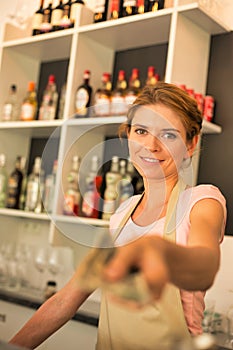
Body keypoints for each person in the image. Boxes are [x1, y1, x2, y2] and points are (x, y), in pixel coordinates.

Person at [9, 82, 227, 350]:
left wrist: (157, 250)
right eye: (141, 131)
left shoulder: (202, 201)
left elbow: (203, 265)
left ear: (190, 144)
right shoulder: (122, 214)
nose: (151, 145)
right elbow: (65, 300)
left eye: (169, 135)